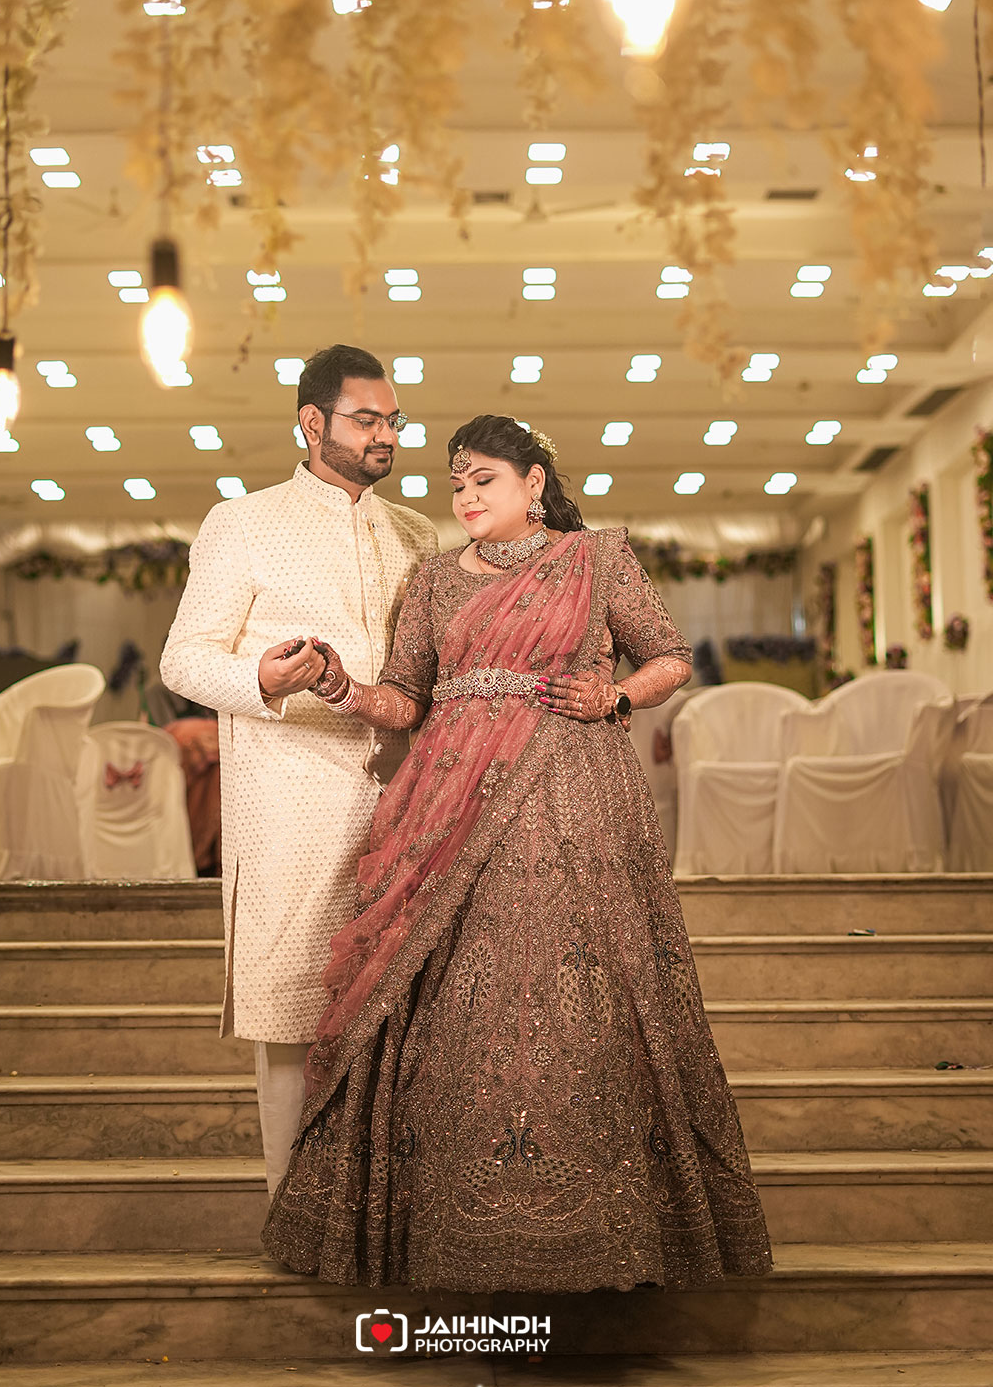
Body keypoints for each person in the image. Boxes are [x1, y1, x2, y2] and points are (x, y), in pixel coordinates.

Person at [261, 414, 774, 1293]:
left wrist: (615, 695)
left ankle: (598, 1232)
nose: (465, 497)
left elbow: (670, 657)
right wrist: (340, 684)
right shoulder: (432, 580)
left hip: (576, 800)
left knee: (579, 989)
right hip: (447, 812)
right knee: (456, 995)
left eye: (484, 481)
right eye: (456, 485)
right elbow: (408, 699)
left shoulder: (596, 559)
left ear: (534, 483)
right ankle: (457, 1233)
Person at [159, 345, 438, 1197]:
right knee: (289, 1009)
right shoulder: (242, 522)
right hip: (287, 803)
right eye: (367, 419)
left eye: (393, 420)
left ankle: (378, 1208)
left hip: (401, 801)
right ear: (313, 423)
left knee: (398, 1007)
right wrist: (263, 680)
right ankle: (291, 1205)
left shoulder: (417, 533)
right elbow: (183, 660)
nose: (386, 435)